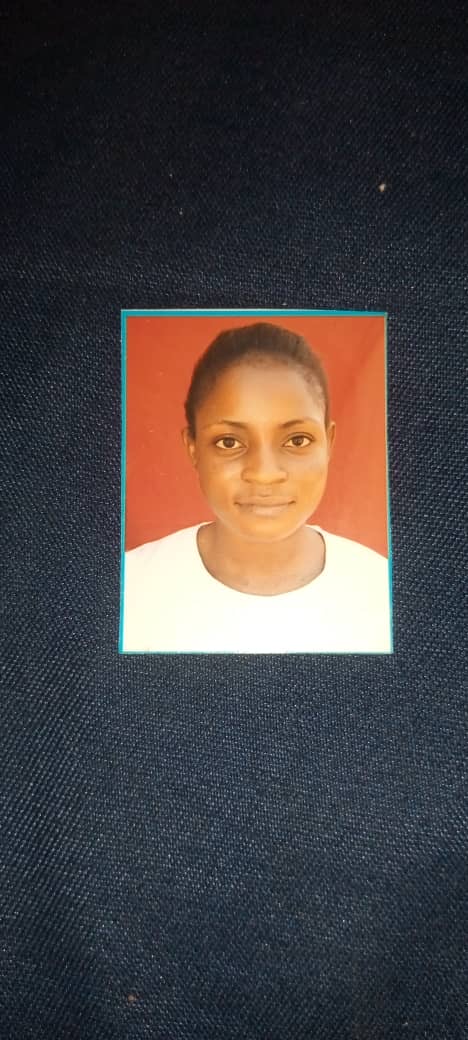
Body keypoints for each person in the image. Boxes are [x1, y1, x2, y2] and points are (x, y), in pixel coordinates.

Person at [122, 322, 392, 653]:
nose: (264, 474)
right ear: (193, 448)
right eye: (229, 442)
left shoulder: (383, 593)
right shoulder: (128, 589)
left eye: (297, 440)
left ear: (329, 443)